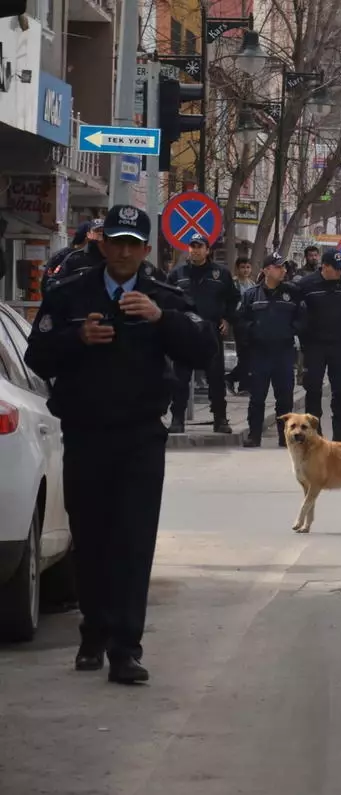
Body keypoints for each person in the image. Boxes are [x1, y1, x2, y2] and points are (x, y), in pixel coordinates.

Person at [24, 205, 217, 684]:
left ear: (146, 249)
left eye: (134, 243)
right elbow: (37, 356)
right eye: (117, 242)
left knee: (133, 541)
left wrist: (160, 318)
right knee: (90, 540)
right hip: (87, 433)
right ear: (103, 245)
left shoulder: (163, 295)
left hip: (140, 437)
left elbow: (203, 348)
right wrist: (78, 337)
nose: (125, 251)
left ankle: (125, 648)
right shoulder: (71, 294)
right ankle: (93, 632)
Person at [165, 233, 240, 434]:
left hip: (210, 332)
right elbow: (166, 298)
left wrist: (227, 318)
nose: (195, 250)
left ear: (208, 250)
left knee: (215, 379)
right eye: (192, 246)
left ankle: (220, 419)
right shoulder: (177, 274)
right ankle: (177, 419)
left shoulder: (220, 274)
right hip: (185, 333)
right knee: (180, 379)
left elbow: (233, 299)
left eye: (200, 246)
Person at [239, 253, 305, 448]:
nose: (283, 270)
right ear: (267, 270)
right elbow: (241, 320)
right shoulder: (251, 295)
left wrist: (291, 330)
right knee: (257, 397)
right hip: (260, 353)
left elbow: (302, 317)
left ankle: (284, 437)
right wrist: (253, 331)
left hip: (283, 352)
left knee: (284, 397)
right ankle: (254, 435)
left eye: (283, 267)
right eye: (278, 267)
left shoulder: (291, 293)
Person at [295, 249, 341, 441]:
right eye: (336, 268)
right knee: (313, 388)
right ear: (324, 267)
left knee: (340, 389)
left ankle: (339, 430)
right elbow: (297, 311)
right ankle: (314, 432)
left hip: (339, 345)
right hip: (314, 345)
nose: (340, 272)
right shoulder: (307, 285)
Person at [43, 219, 104, 292]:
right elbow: (51, 284)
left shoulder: (110, 258)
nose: (100, 235)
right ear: (87, 235)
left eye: (103, 232)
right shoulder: (72, 258)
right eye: (97, 231)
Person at [226, 256, 256, 395]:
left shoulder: (253, 285)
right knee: (245, 355)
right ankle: (243, 386)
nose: (245, 270)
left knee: (250, 355)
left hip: (251, 323)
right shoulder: (232, 283)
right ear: (237, 268)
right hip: (238, 323)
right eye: (242, 267)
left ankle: (232, 379)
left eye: (248, 267)